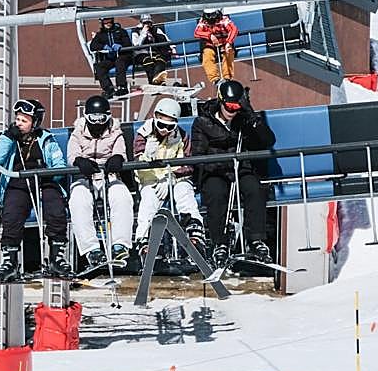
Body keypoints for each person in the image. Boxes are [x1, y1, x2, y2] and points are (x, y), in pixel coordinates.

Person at [191, 80, 276, 267]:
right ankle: (219, 242)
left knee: (255, 188)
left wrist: (252, 117)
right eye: (229, 106)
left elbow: (268, 141)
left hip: (241, 169)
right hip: (215, 170)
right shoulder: (202, 122)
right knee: (215, 192)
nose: (232, 111)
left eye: (237, 106)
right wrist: (219, 163)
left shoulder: (244, 120)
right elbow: (197, 155)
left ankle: (255, 240)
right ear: (220, 101)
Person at [0, 99, 71, 281]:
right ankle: (10, 260)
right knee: (13, 212)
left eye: (24, 120)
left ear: (35, 123)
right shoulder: (9, 138)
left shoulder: (47, 139)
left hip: (43, 181)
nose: (19, 123)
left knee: (56, 208)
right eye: (17, 119)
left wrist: (48, 173)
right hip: (18, 181)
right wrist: (8, 138)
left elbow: (59, 164)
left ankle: (57, 256)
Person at [132, 97, 205, 255]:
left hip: (175, 178)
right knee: (148, 202)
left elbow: (188, 163)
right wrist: (146, 157)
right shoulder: (143, 135)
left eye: (170, 126)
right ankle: (144, 240)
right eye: (161, 125)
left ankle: (195, 231)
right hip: (151, 181)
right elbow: (138, 166)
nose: (165, 130)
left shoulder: (181, 136)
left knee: (184, 192)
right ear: (155, 117)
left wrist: (171, 176)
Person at [68, 95, 133, 269]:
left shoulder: (115, 132)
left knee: (122, 197)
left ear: (108, 117)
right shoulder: (78, 133)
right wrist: (79, 162)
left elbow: (120, 151)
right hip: (85, 177)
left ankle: (120, 245)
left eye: (101, 119)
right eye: (93, 119)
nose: (97, 123)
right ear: (86, 117)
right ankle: (92, 249)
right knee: (78, 200)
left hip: (109, 176)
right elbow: (72, 154)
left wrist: (117, 158)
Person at [88, 16, 134, 97]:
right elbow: (93, 46)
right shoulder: (100, 35)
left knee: (119, 62)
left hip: (124, 56)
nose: (108, 24)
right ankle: (109, 89)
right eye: (105, 22)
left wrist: (120, 46)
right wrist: (104, 46)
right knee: (99, 66)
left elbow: (128, 43)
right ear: (102, 23)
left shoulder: (121, 31)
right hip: (111, 58)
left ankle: (122, 86)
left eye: (109, 21)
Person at [193, 8, 238, 85]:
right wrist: (209, 36)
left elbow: (234, 29)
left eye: (212, 15)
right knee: (207, 55)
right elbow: (196, 33)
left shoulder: (224, 20)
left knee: (228, 53)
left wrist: (228, 42)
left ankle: (227, 78)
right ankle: (215, 79)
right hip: (211, 45)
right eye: (208, 16)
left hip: (224, 43)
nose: (211, 18)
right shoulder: (203, 22)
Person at [131, 15, 173, 85]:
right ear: (141, 23)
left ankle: (157, 80)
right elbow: (136, 44)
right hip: (141, 53)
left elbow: (167, 40)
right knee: (148, 61)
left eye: (149, 22)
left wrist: (172, 48)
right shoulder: (135, 31)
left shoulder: (156, 29)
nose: (147, 24)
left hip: (155, 52)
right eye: (145, 23)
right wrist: (144, 33)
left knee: (160, 59)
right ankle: (154, 81)